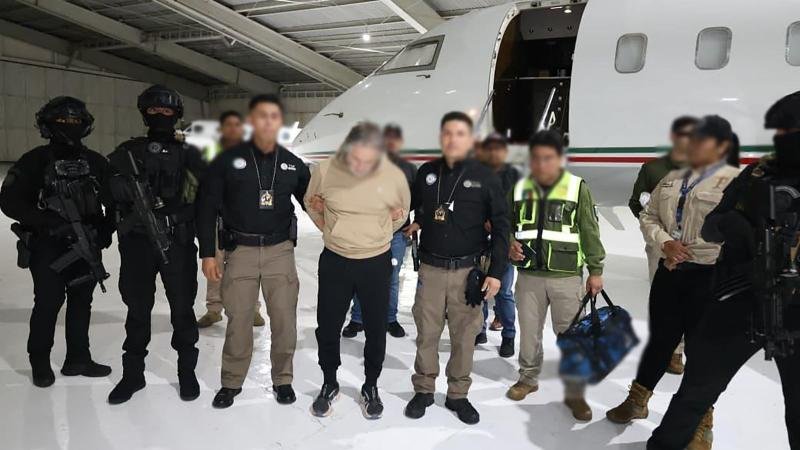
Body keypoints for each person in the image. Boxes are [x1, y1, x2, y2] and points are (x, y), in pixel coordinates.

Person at [647, 94, 800, 450]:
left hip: (795, 312)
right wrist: (736, 226)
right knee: (696, 392)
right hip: (738, 302)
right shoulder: (757, 174)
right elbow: (711, 226)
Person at [607, 116, 741, 450]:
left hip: (709, 276)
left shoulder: (735, 182)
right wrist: (665, 242)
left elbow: (740, 234)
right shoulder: (673, 178)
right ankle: (637, 401)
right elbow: (649, 215)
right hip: (670, 271)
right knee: (660, 341)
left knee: (701, 352)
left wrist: (698, 252)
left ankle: (701, 423)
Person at [198, 95, 311, 409]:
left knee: (284, 320)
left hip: (280, 252)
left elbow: (314, 203)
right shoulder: (227, 160)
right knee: (239, 320)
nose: (268, 122)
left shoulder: (293, 164)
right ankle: (231, 381)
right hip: (241, 252)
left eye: (274, 116)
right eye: (262, 115)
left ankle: (283, 379)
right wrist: (207, 253)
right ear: (251, 121)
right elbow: (206, 207)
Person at [403, 112, 509, 425]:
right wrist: (417, 220)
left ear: (471, 139)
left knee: (464, 337)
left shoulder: (487, 177)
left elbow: (502, 227)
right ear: (441, 137)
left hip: (468, 273)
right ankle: (424, 389)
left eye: (460, 133)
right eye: (447, 133)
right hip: (431, 270)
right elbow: (421, 205)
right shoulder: (427, 172)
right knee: (427, 334)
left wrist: (496, 273)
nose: (453, 139)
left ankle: (458, 394)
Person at [0, 97, 114, 387]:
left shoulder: (95, 162)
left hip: (86, 242)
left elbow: (114, 201)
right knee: (48, 302)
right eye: (62, 121)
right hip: (47, 245)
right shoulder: (34, 160)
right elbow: (10, 201)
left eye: (75, 121)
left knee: (81, 301)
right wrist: (47, 222)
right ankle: (39, 361)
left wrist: (105, 230)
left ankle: (78, 358)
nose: (69, 126)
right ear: (47, 124)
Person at [105, 85, 206, 404]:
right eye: (154, 111)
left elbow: (202, 200)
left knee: (183, 310)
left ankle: (186, 373)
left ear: (176, 115)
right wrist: (122, 194)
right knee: (137, 310)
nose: (160, 116)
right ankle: (132, 375)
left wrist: (175, 215)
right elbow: (108, 196)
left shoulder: (191, 153)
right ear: (144, 114)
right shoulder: (128, 152)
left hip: (177, 242)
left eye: (166, 111)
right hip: (137, 244)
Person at [304, 122, 410, 419]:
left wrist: (376, 235)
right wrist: (332, 230)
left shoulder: (393, 175)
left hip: (375, 262)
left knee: (376, 329)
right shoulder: (325, 170)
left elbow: (400, 215)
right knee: (328, 326)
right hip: (335, 260)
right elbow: (311, 204)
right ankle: (329, 382)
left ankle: (370, 385)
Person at [504, 130, 605, 421]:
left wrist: (596, 270)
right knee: (529, 332)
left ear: (560, 158)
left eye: (548, 158)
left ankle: (575, 392)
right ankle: (528, 378)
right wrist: (510, 243)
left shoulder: (576, 188)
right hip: (528, 277)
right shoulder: (519, 188)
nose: (541, 164)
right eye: (536, 158)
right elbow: (506, 224)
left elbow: (590, 230)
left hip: (566, 276)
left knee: (572, 335)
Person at [629, 116, 699, 375]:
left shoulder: (709, 171)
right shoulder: (653, 169)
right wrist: (658, 235)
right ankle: (673, 352)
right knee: (665, 301)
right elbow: (636, 204)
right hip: (660, 248)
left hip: (695, 250)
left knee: (695, 301)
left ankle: (694, 350)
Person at [341, 123, 416, 339]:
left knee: (391, 278)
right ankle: (358, 319)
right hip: (368, 233)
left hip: (396, 234)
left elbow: (419, 199)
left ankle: (390, 319)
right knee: (362, 276)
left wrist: (414, 221)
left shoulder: (409, 170)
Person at [197, 110, 266, 329]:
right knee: (215, 265)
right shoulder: (211, 152)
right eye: (229, 125)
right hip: (218, 219)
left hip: (245, 222)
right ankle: (214, 309)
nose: (233, 129)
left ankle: (253, 308)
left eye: (237, 125)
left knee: (249, 267)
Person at [474, 132, 520, 357]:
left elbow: (518, 210)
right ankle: (480, 330)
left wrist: (505, 232)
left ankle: (508, 336)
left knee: (503, 292)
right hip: (479, 241)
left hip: (503, 243)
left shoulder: (515, 177)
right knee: (479, 289)